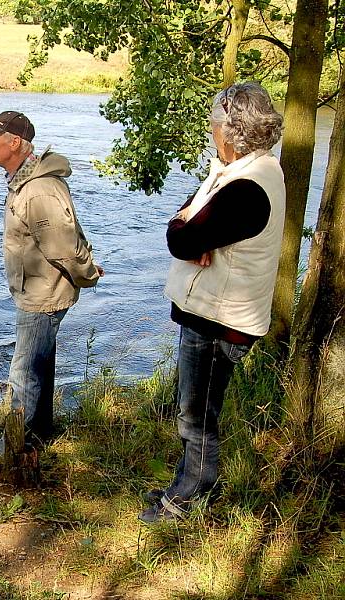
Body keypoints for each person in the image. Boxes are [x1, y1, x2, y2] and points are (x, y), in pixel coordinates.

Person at [139, 82, 285, 524]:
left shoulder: (246, 188)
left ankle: (187, 500)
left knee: (196, 414)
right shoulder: (241, 171)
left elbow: (180, 238)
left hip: (220, 319)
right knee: (196, 407)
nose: (210, 132)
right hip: (214, 310)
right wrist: (191, 224)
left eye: (213, 125)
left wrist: (191, 230)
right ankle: (186, 484)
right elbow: (187, 221)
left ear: (232, 130)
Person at [0, 110, 103, 453]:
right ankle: (41, 433)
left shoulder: (39, 190)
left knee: (23, 373)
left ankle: (18, 450)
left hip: (42, 294)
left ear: (15, 143)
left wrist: (88, 274)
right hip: (38, 290)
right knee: (39, 364)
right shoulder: (27, 182)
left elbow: (64, 247)